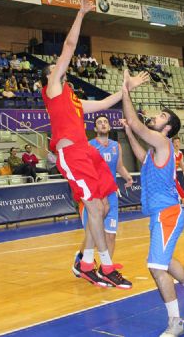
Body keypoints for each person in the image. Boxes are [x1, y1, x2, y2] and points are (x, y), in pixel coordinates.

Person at [41, 0, 147, 289]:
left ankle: (86, 262)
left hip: (86, 153)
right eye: (55, 69)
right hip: (71, 154)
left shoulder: (73, 100)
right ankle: (106, 266)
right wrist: (81, 13)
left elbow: (104, 104)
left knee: (99, 207)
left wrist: (128, 89)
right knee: (93, 207)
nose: (59, 68)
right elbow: (69, 46)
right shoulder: (53, 90)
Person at [121, 71, 184, 337]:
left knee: (156, 267)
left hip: (167, 214)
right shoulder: (154, 150)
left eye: (161, 116)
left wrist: (127, 90)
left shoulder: (162, 141)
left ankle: (175, 322)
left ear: (167, 127)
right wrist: (128, 131)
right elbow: (139, 154)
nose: (156, 117)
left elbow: (138, 124)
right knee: (167, 261)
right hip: (161, 214)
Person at [73, 115, 134, 276]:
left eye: (105, 122)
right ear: (95, 129)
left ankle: (105, 270)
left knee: (111, 235)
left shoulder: (116, 146)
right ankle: (80, 259)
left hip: (111, 194)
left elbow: (119, 166)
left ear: (109, 127)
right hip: (94, 196)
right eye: (99, 122)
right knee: (92, 234)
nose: (103, 124)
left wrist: (127, 176)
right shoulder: (89, 146)